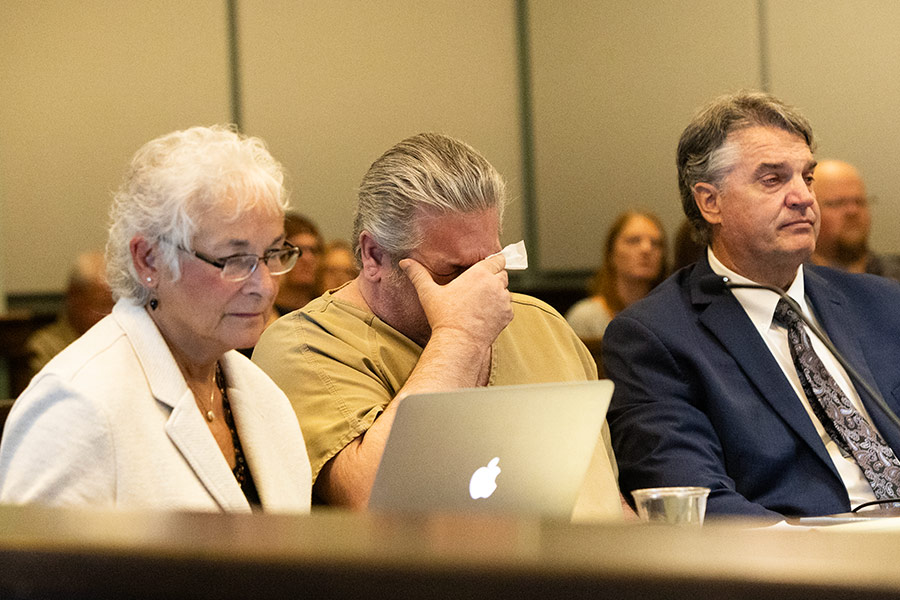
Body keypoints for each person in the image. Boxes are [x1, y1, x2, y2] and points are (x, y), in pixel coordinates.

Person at [253, 132, 625, 521]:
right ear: (374, 255)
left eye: (493, 263)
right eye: (455, 271)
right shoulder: (304, 344)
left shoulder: (545, 324)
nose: (484, 287)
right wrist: (460, 337)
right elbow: (373, 499)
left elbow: (605, 494)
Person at [603, 91, 900, 520]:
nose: (803, 197)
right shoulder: (654, 337)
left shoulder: (881, 304)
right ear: (710, 202)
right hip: (804, 568)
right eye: (773, 179)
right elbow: (691, 501)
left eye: (807, 177)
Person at [0, 125, 312, 513]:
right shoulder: (79, 402)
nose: (264, 286)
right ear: (148, 260)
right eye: (234, 260)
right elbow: (30, 573)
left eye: (273, 254)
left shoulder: (263, 395)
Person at [565, 211, 667, 342]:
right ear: (611, 254)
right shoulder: (585, 318)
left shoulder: (671, 315)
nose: (646, 249)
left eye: (656, 243)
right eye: (634, 241)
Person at [25, 250, 114, 377]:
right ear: (74, 298)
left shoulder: (123, 340)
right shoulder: (45, 347)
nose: (110, 314)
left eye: (116, 305)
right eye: (102, 305)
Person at [810, 159, 900, 281]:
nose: (853, 211)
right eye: (838, 203)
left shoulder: (894, 277)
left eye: (859, 201)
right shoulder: (792, 281)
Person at [273, 212, 323, 316]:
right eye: (297, 250)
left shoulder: (324, 311)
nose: (308, 258)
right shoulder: (263, 315)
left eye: (313, 251)